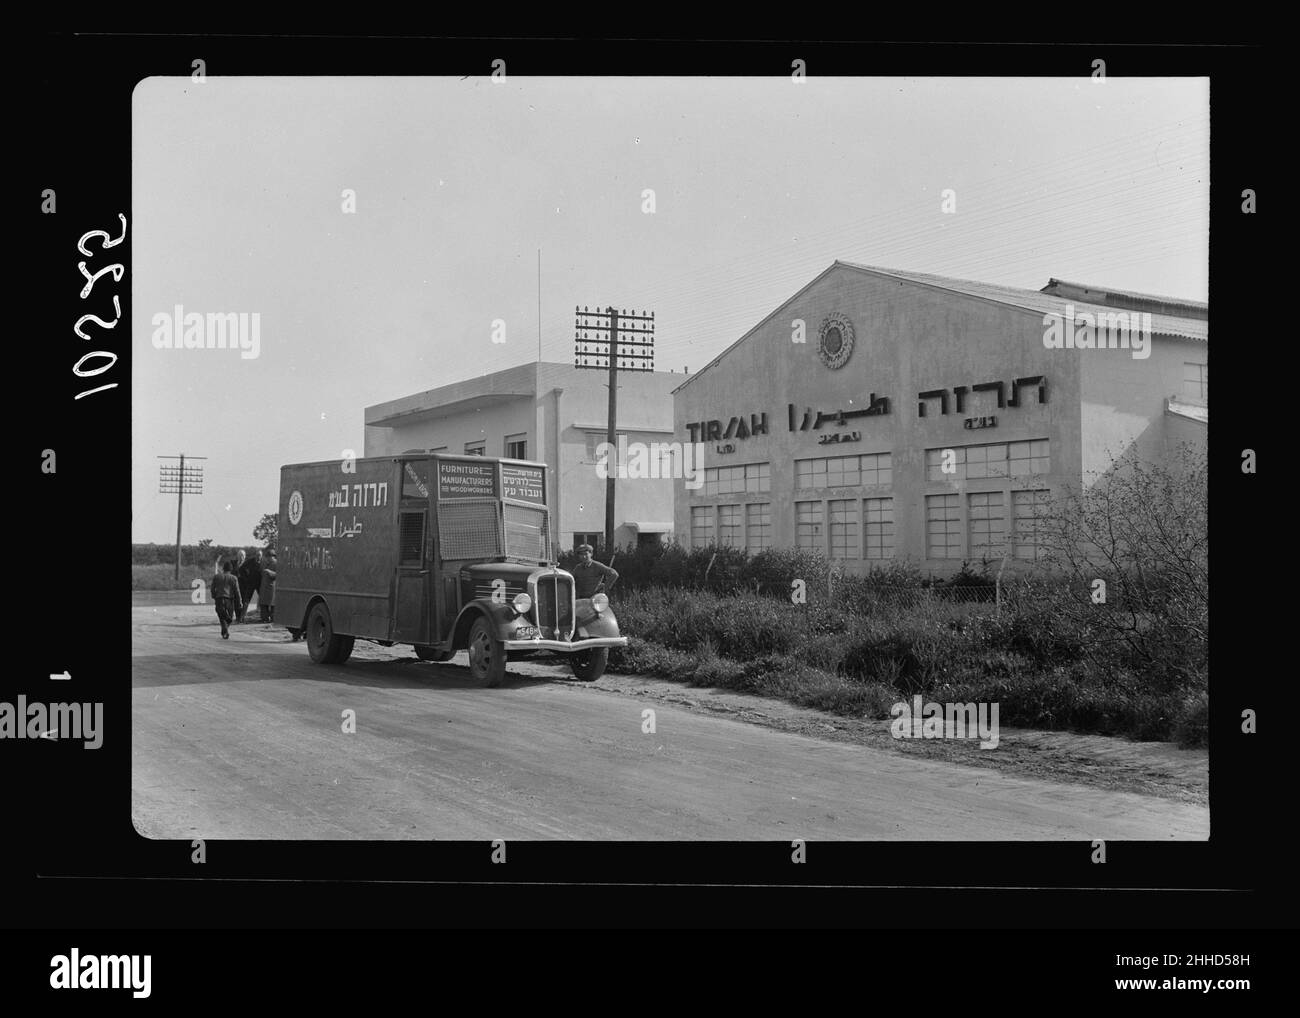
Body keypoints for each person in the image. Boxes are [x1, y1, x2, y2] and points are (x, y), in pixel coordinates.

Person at [211, 559, 242, 639]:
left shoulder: (217, 576)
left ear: (223, 568)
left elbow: (212, 588)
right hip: (229, 599)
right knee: (229, 616)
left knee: (222, 616)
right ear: (231, 569)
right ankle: (225, 629)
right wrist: (239, 601)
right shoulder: (234, 578)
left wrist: (214, 596)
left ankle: (224, 630)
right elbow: (237, 591)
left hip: (219, 598)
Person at [236, 549, 262, 624]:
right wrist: (246, 578)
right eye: (257, 555)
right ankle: (242, 618)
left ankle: (264, 616)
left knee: (263, 599)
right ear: (255, 555)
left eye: (260, 555)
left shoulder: (263, 562)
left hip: (259, 583)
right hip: (250, 583)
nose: (258, 556)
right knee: (246, 600)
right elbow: (241, 569)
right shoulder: (250, 561)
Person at [259, 552, 277, 623]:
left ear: (273, 556)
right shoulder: (265, 563)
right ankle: (264, 618)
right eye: (267, 557)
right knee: (263, 603)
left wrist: (270, 572)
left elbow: (278, 574)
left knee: (273, 604)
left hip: (272, 587)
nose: (267, 558)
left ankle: (273, 618)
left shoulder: (276, 563)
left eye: (269, 556)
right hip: (264, 587)